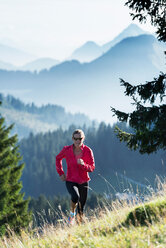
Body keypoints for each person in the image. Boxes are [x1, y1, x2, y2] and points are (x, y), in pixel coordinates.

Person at [56, 129, 95, 225]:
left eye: (80, 139)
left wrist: (83, 165)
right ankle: (71, 215)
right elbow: (58, 158)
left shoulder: (87, 151)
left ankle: (79, 226)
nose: (78, 141)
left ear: (83, 139)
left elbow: (92, 168)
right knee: (75, 196)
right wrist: (61, 173)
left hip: (84, 181)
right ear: (72, 139)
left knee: (81, 207)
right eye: (75, 139)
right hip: (70, 180)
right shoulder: (67, 150)